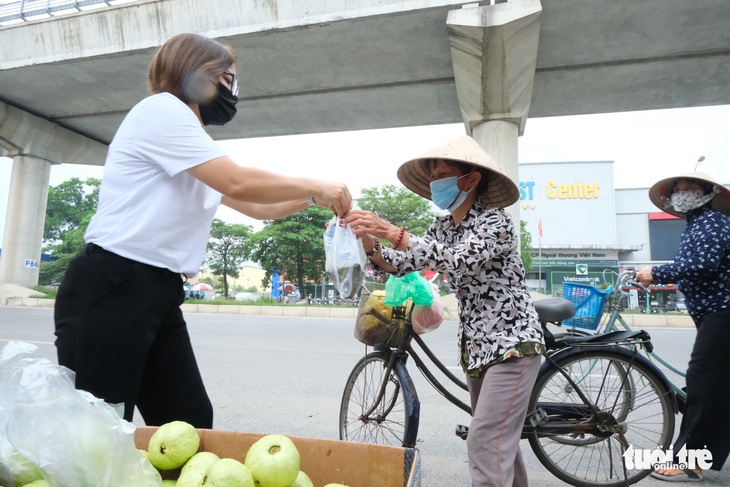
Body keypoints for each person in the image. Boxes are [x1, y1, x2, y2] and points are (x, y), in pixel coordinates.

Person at [53, 33, 352, 429]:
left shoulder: (191, 145)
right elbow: (240, 183)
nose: (233, 89)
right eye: (229, 78)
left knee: (187, 422)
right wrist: (315, 185)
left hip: (157, 289)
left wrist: (316, 201)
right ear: (198, 76)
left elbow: (256, 207)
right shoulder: (162, 112)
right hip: (114, 282)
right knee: (98, 429)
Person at [345, 136, 544, 487]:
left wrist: (392, 231)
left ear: (470, 179)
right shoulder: (443, 228)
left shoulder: (495, 222)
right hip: (478, 348)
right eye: (434, 175)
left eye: (444, 173)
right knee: (500, 444)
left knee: (484, 440)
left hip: (512, 345)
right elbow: (405, 262)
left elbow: (457, 260)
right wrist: (368, 240)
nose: (436, 181)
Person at [636, 172, 730, 482]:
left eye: (689, 187)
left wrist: (656, 273)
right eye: (677, 188)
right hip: (711, 316)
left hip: (723, 313)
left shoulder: (713, 223)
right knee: (715, 386)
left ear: (707, 192)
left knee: (701, 385)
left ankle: (691, 458)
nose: (681, 192)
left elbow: (702, 265)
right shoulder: (694, 226)